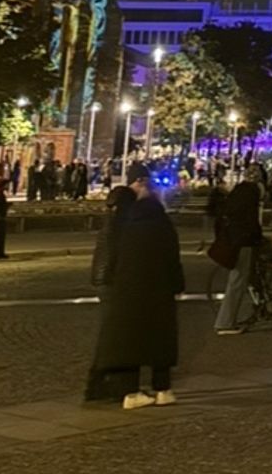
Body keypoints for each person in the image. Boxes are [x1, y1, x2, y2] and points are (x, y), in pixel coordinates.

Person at [88, 172, 184, 409]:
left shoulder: (127, 227)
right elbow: (173, 260)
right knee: (160, 340)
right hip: (160, 291)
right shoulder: (164, 226)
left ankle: (131, 394)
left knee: (128, 341)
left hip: (128, 292)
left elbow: (114, 258)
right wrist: (177, 286)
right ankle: (163, 389)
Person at [84, 186, 137, 402]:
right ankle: (110, 385)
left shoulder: (111, 222)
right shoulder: (121, 225)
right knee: (116, 337)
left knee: (109, 336)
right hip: (114, 284)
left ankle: (97, 384)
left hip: (106, 283)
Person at [212, 174, 263, 333]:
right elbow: (252, 225)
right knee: (237, 282)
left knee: (237, 280)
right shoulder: (249, 203)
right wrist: (259, 238)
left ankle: (226, 321)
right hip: (244, 244)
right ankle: (225, 323)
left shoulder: (234, 203)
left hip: (234, 242)